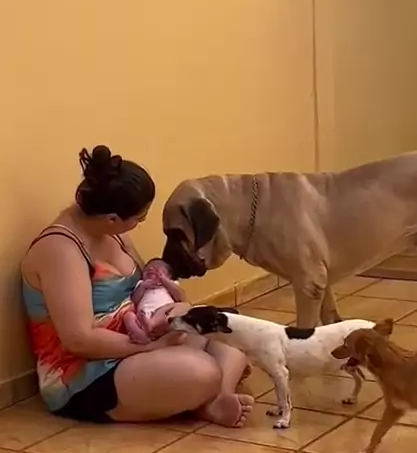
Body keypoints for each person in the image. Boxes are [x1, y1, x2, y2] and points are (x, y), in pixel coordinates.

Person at [21, 145, 253, 425]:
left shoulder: (112, 233)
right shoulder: (60, 250)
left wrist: (174, 307)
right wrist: (151, 347)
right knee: (201, 370)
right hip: (87, 373)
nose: (140, 224)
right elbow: (79, 340)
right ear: (112, 218)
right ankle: (205, 393)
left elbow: (146, 286)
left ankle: (217, 398)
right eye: (139, 219)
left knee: (231, 326)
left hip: (140, 338)